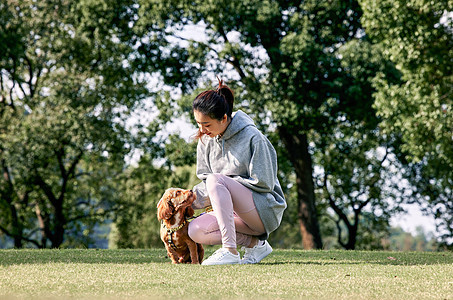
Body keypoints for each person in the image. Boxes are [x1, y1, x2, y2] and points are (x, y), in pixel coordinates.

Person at [188, 78, 287, 265]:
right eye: (198, 123)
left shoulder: (253, 137)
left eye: (207, 124)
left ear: (224, 118)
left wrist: (226, 187)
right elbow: (206, 183)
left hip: (263, 211)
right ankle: (255, 245)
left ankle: (230, 251)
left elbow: (264, 182)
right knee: (196, 230)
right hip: (233, 214)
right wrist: (187, 201)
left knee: (216, 181)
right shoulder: (205, 140)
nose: (202, 130)